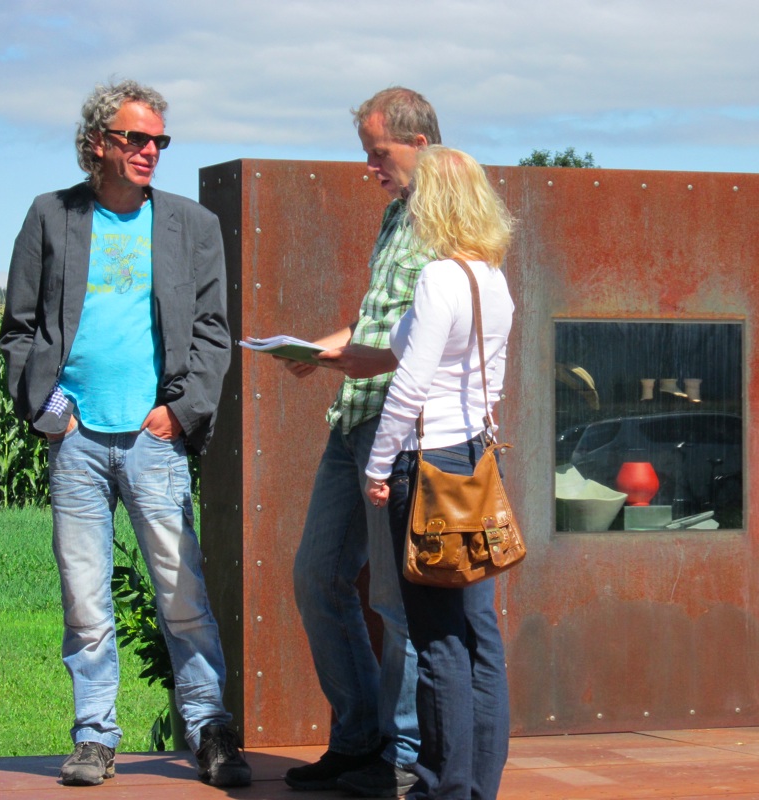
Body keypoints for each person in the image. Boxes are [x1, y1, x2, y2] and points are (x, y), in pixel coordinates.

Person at [0, 79, 250, 789]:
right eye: (135, 137)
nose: (150, 150)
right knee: (85, 600)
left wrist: (180, 412)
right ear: (97, 143)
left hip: (154, 440)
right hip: (76, 442)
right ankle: (94, 736)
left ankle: (210, 729)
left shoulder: (191, 226)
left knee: (182, 593)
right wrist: (51, 412)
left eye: (158, 140)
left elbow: (213, 334)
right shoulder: (51, 216)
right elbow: (19, 331)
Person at [283, 87, 439, 797]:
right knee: (317, 576)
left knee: (395, 600)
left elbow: (435, 338)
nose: (369, 167)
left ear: (420, 144)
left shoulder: (451, 220)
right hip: (351, 419)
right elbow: (375, 318)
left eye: (378, 153)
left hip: (398, 426)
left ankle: (401, 758)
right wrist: (319, 350)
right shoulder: (394, 215)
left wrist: (365, 359)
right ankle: (357, 740)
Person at [365, 145, 515, 800]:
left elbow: (410, 385)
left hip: (426, 466)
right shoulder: (492, 279)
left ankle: (441, 788)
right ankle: (478, 786)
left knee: (437, 640)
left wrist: (377, 466)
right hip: (476, 460)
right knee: (478, 633)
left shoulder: (437, 279)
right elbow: (490, 380)